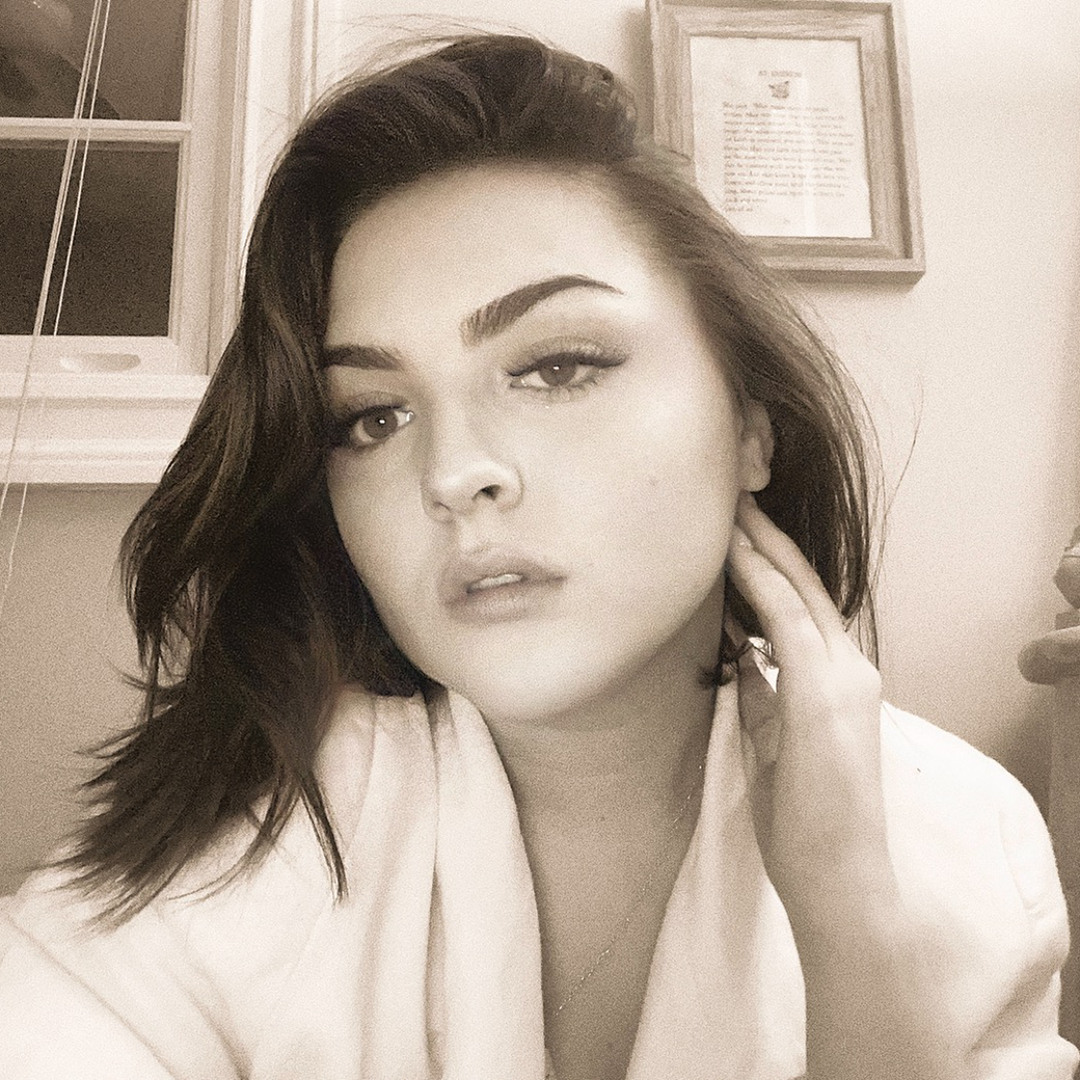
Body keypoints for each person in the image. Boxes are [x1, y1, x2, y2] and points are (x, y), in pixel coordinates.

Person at [0, 33, 1074, 1080]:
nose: (452, 472)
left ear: (751, 427)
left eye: (558, 367)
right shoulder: (250, 836)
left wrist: (853, 919)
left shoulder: (961, 832)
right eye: (372, 417)